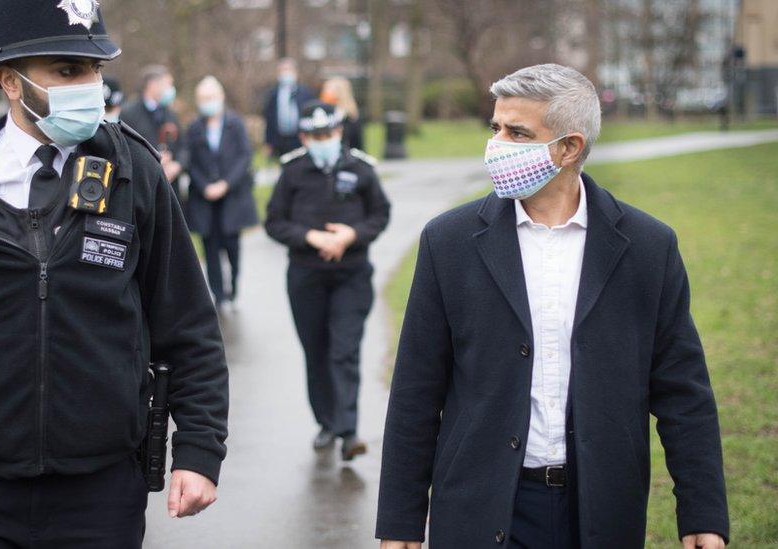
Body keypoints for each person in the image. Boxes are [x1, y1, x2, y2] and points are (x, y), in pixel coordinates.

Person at [0, 1, 229, 546]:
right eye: (69, 70)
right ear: (11, 81)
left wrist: (199, 450)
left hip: (103, 493)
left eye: (96, 69)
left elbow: (189, 328)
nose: (92, 86)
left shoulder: (134, 175)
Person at [376, 64, 728, 548]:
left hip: (600, 511)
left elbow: (684, 392)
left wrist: (703, 513)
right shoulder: (448, 242)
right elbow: (416, 391)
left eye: (517, 132)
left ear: (569, 147)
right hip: (480, 507)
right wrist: (400, 522)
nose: (497, 144)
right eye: (495, 127)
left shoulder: (648, 247)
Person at [265, 101, 390, 461]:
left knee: (344, 351)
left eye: (330, 133)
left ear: (340, 132)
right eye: (316, 135)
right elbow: (274, 222)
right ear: (305, 136)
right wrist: (310, 238)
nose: (324, 140)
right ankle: (327, 423)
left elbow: (380, 214)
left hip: (351, 275)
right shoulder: (293, 171)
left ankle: (349, 432)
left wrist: (352, 235)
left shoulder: (361, 168)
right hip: (307, 277)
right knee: (316, 352)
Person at [184, 76, 259, 310]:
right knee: (210, 246)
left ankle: (233, 289)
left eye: (211, 98)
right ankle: (218, 295)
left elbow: (244, 157)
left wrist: (226, 184)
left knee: (232, 246)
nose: (207, 102)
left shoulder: (235, 124)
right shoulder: (194, 128)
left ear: (221, 97)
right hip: (204, 199)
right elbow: (190, 161)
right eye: (203, 99)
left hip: (232, 197)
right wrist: (205, 185)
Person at [121, 64, 186, 195]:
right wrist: (154, 160)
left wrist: (177, 165)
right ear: (152, 85)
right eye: (168, 84)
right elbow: (124, 150)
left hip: (170, 188)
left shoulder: (171, 114)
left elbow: (184, 146)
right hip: (141, 189)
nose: (171, 89)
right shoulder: (129, 113)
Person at [262, 58, 315, 159]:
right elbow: (269, 118)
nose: (285, 73)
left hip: (299, 139)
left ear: (295, 72)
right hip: (280, 140)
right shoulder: (273, 94)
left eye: (288, 70)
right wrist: (268, 142)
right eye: (283, 70)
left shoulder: (305, 93)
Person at [320, 76, 363, 151]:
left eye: (328, 89)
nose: (325, 93)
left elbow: (356, 143)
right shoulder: (321, 113)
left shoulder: (350, 117)